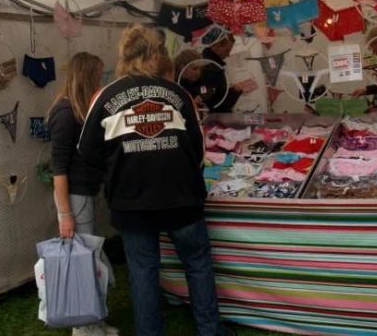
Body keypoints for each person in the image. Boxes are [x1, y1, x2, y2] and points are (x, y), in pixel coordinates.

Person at [78, 25, 229, 336]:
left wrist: (116, 168)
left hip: (132, 202)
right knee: (198, 266)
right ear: (156, 54)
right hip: (182, 197)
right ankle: (209, 331)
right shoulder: (177, 94)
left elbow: (88, 151)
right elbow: (198, 150)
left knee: (144, 273)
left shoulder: (107, 96)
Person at [47, 52, 119, 336]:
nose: (102, 81)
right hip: (74, 197)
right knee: (83, 260)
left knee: (89, 256)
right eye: (98, 76)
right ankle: (84, 328)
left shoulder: (78, 109)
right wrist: (65, 214)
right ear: (87, 77)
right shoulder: (65, 113)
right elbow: (59, 169)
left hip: (83, 193)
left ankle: (93, 320)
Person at [199, 28, 243, 113]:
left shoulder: (208, 63)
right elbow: (218, 103)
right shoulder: (212, 67)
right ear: (217, 46)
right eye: (227, 50)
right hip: (215, 117)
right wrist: (235, 91)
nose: (228, 55)